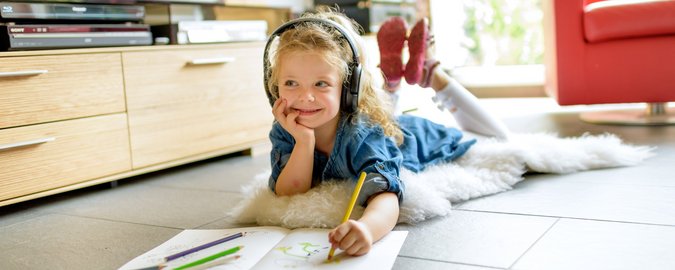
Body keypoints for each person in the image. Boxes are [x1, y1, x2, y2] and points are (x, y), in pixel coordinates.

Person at [264, 8, 475, 257]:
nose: (304, 97)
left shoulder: (362, 135)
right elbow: (288, 193)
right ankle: (393, 84)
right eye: (291, 83)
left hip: (417, 136)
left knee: (491, 136)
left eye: (321, 84)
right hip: (384, 121)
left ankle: (431, 72)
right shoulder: (287, 128)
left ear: (348, 88)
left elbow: (386, 195)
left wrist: (367, 229)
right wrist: (304, 142)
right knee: (387, 109)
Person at [377, 17, 510, 139]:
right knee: (503, 139)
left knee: (384, 133)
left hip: (394, 142)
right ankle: (429, 73)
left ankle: (392, 84)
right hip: (415, 144)